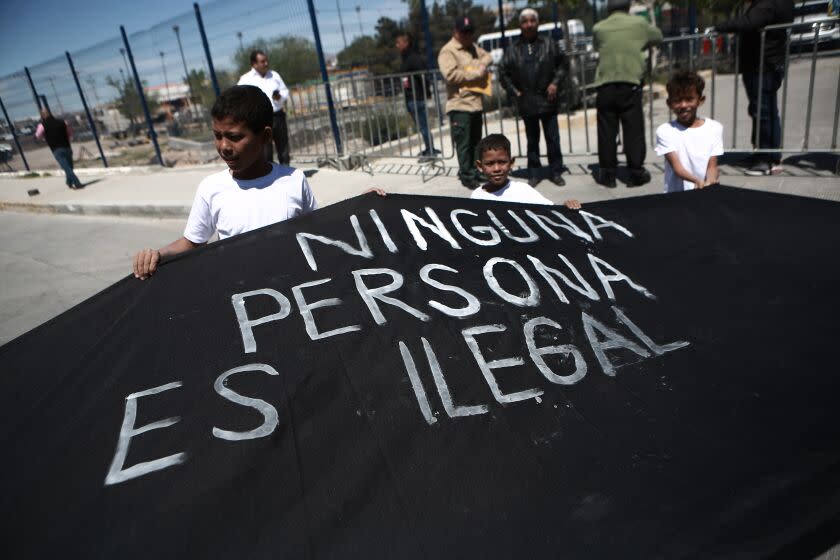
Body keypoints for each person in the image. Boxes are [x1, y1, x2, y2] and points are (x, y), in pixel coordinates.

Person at [133, 85, 316, 280]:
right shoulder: (211, 188)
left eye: (234, 137)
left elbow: (316, 232)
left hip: (295, 292)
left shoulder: (294, 181)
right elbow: (193, 242)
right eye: (217, 136)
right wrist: (158, 255)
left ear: (265, 136)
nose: (224, 147)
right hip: (243, 298)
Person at [713, 0, 793, 176]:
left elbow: (750, 22)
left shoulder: (768, 3)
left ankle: (766, 159)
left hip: (763, 65)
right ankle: (763, 154)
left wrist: (720, 26)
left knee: (764, 112)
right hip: (764, 64)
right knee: (763, 111)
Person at [592, 0, 662, 188]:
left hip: (605, 84)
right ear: (628, 6)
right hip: (629, 83)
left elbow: (596, 46)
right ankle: (636, 172)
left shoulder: (599, 28)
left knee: (607, 131)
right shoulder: (639, 24)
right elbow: (658, 37)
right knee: (633, 130)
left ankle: (608, 174)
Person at [499, 8, 569, 188]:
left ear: (537, 23)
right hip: (527, 102)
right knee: (532, 141)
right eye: (525, 21)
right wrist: (515, 92)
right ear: (520, 25)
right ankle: (534, 173)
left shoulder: (549, 44)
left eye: (532, 21)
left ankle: (555, 171)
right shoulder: (512, 49)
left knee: (553, 139)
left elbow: (563, 65)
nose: (529, 24)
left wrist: (555, 83)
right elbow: (503, 73)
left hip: (548, 100)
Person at [438, 16, 492, 188]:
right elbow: (450, 75)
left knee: (477, 142)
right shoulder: (448, 51)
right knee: (464, 144)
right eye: (464, 32)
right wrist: (475, 73)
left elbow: (487, 56)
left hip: (475, 103)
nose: (468, 35)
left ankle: (476, 172)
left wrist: (482, 64)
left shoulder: (473, 48)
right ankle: (467, 175)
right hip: (460, 105)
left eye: (470, 32)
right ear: (456, 32)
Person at [471, 133, 581, 209]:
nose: (496, 169)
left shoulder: (523, 190)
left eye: (502, 162)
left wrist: (566, 207)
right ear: (480, 166)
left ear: (511, 163)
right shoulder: (476, 197)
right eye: (490, 164)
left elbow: (551, 212)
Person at [655, 71, 723, 193]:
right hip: (676, 196)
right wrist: (696, 180)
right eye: (677, 100)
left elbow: (712, 165)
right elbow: (677, 168)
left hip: (704, 192)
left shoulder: (715, 128)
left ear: (700, 100)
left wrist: (711, 180)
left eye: (689, 99)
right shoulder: (665, 131)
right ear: (669, 103)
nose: (683, 105)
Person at [237, 50, 291, 165]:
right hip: (260, 120)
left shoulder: (274, 75)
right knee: (265, 150)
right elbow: (239, 98)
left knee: (283, 146)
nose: (266, 63)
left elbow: (285, 91)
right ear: (254, 64)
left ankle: (286, 174)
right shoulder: (245, 79)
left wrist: (279, 97)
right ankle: (269, 177)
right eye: (262, 61)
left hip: (278, 116)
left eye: (266, 61)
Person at [396, 31, 439, 158]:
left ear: (406, 43)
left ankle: (431, 151)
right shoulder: (405, 58)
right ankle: (428, 148)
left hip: (417, 98)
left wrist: (427, 92)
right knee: (421, 126)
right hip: (410, 97)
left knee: (424, 125)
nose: (397, 45)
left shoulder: (413, 58)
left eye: (399, 43)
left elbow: (423, 76)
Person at [35, 108, 83, 190]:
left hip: (56, 149)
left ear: (42, 116)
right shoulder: (62, 122)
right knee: (69, 167)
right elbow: (69, 133)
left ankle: (77, 183)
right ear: (50, 113)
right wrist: (67, 138)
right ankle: (69, 182)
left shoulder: (42, 125)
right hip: (66, 146)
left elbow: (38, 135)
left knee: (67, 168)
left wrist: (45, 137)